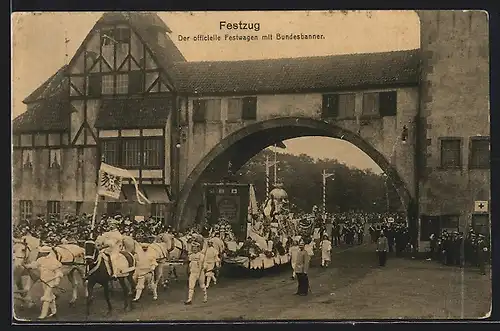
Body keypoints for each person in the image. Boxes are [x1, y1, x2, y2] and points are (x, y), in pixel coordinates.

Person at [24, 245, 64, 319]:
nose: (40, 253)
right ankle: (54, 311)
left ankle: (43, 315)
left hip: (51, 281)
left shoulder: (54, 261)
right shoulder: (40, 259)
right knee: (50, 296)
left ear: (46, 253)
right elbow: (34, 265)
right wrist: (26, 265)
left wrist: (56, 282)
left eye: (41, 252)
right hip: (44, 281)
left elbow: (58, 273)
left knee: (46, 297)